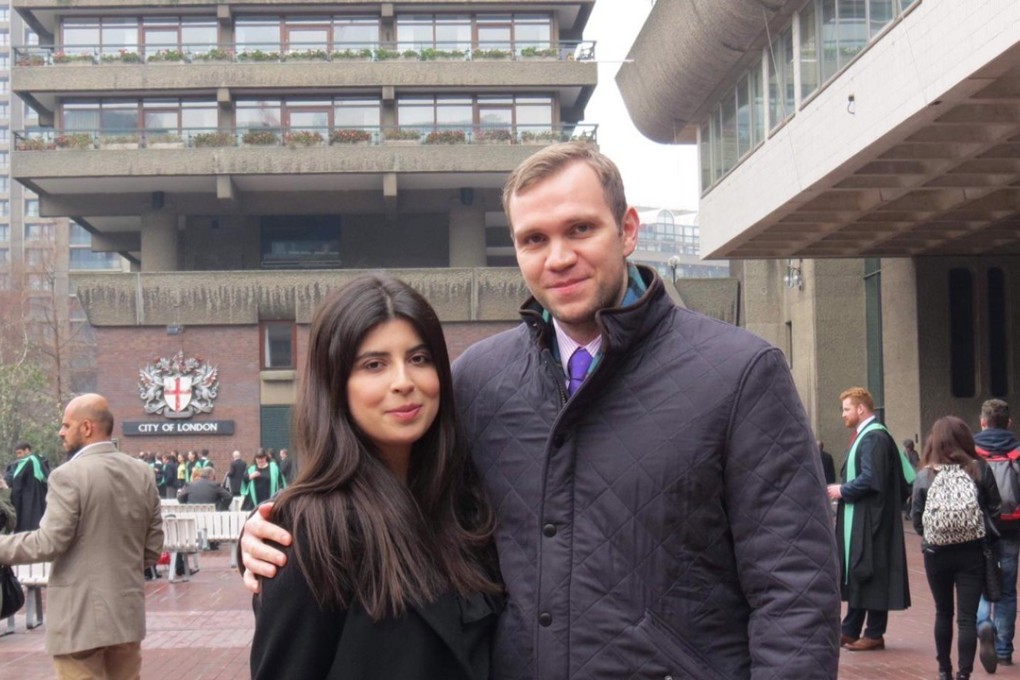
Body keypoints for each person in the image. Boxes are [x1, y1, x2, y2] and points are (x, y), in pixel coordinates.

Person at [241, 142, 840, 678]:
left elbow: (794, 592)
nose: (558, 258)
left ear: (627, 230)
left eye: (579, 229)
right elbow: (398, 491)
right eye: (534, 239)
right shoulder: (479, 379)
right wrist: (276, 534)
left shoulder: (739, 373)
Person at [250, 275, 501, 679]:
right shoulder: (311, 533)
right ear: (335, 385)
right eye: (374, 364)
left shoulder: (466, 507)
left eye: (420, 359)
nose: (404, 382)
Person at [0, 394, 163, 678]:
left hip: (79, 621)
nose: (60, 432)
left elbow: (48, 542)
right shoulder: (143, 473)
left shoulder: (67, 475)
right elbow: (152, 550)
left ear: (86, 427)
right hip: (127, 616)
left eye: (66, 425)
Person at [912, 416, 1001, 680]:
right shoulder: (979, 469)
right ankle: (964, 674)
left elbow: (917, 519)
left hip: (936, 553)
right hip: (971, 552)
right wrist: (980, 532)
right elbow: (995, 508)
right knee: (966, 618)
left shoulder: (925, 475)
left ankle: (943, 671)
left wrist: (934, 535)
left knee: (943, 612)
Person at [827, 386, 912, 651]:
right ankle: (850, 629)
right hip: (865, 516)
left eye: (847, 409)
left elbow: (871, 479)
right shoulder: (866, 436)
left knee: (871, 573)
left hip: (872, 520)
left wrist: (842, 490)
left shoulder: (874, 438)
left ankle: (874, 633)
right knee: (860, 571)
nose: (843, 415)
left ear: (861, 409)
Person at [975, 398, 1020, 667]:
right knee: (1007, 589)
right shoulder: (1017, 450)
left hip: (978, 528)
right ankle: (1004, 649)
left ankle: (984, 624)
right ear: (1009, 423)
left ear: (982, 422)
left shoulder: (970, 451)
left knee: (981, 584)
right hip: (1011, 527)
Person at [4, 442, 49, 532]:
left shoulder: (28, 461)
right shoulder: (41, 461)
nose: (18, 456)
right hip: (41, 504)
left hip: (27, 505)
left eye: (20, 453)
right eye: (17, 453)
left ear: (27, 450)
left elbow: (16, 481)